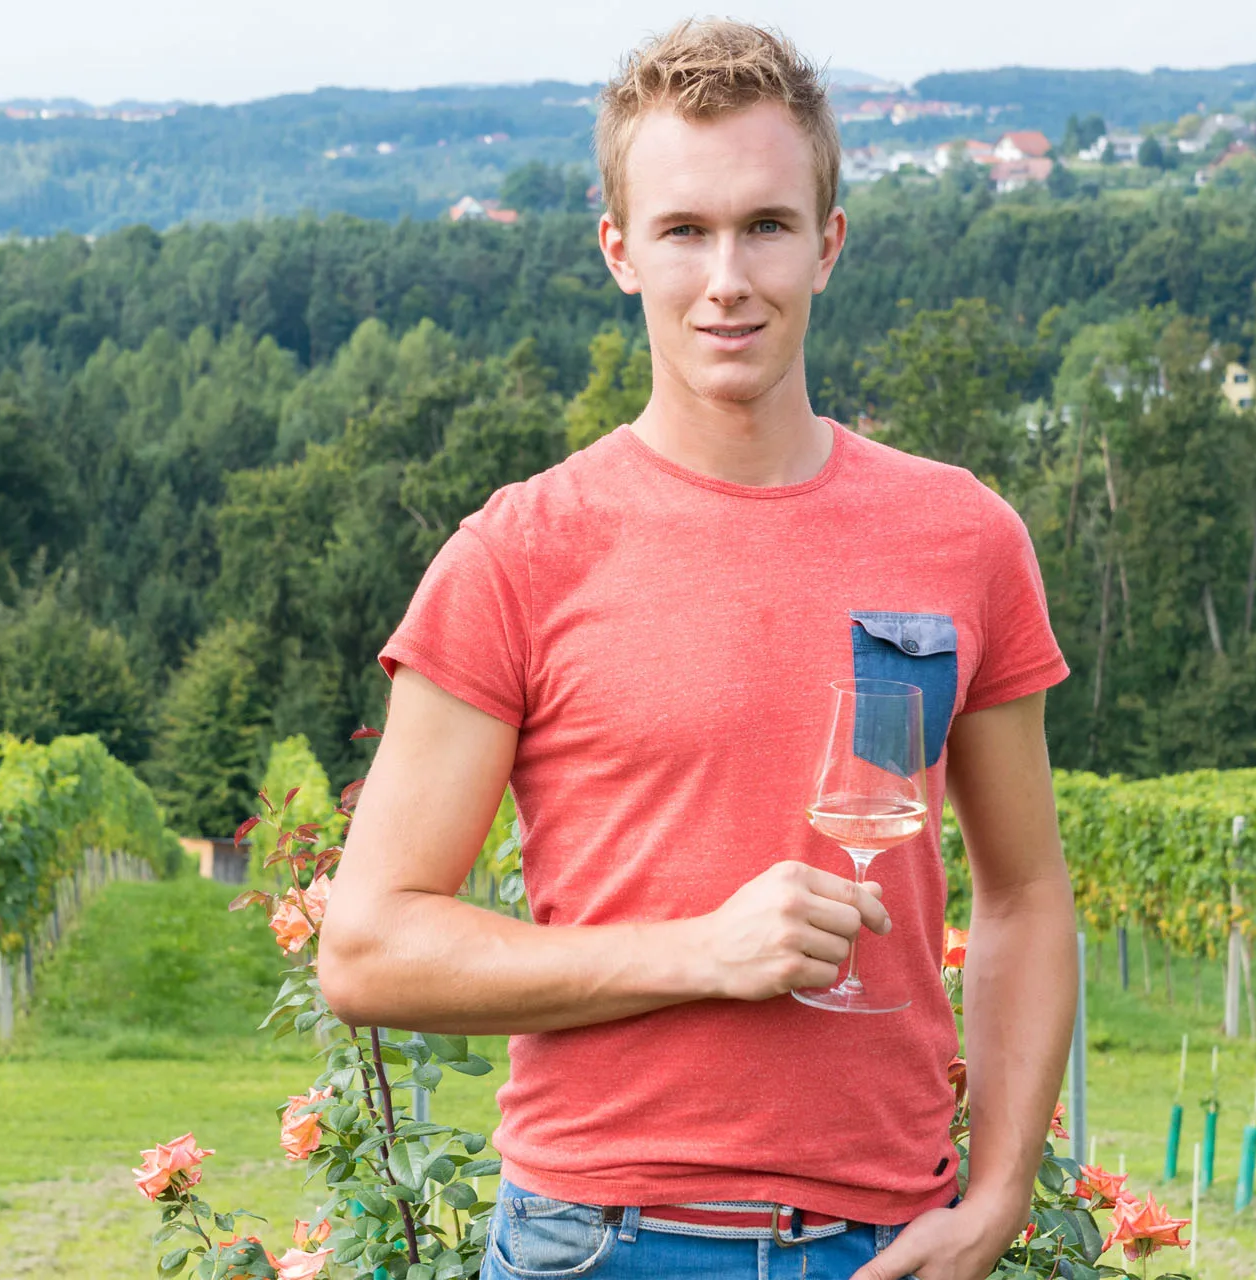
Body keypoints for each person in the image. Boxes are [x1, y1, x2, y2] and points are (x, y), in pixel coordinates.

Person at [318, 18, 1076, 1280]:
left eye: (766, 225)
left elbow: (1026, 894)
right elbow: (367, 948)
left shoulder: (965, 538)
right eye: (684, 230)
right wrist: (700, 953)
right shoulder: (518, 554)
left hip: (885, 1244)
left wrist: (997, 1194)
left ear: (828, 243)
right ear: (620, 250)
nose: (728, 277)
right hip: (595, 1242)